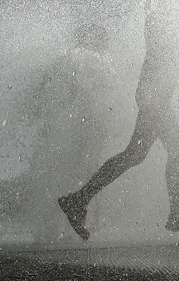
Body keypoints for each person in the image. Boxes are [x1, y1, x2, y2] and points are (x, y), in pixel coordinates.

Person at [59, 0, 179, 240]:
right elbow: (176, 45)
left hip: (155, 94)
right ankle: (176, 214)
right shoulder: (161, 17)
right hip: (154, 95)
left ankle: (78, 200)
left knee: (135, 155)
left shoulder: (170, 18)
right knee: (177, 150)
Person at [20, 23, 113, 243]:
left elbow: (45, 83)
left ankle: (58, 228)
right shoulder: (83, 58)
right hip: (78, 128)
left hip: (79, 127)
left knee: (74, 176)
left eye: (103, 38)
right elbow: (75, 88)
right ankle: (63, 228)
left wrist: (38, 107)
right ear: (87, 38)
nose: (103, 42)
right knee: (82, 175)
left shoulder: (78, 59)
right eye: (99, 37)